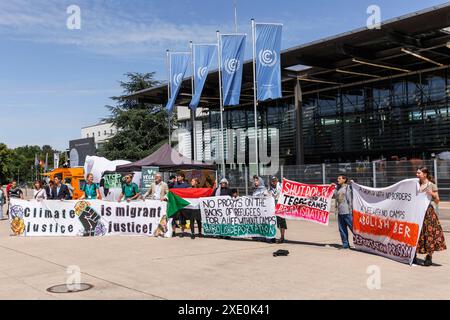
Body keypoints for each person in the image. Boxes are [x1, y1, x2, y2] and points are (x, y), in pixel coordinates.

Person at [415, 167, 447, 266]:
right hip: (417, 211)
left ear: (425, 174)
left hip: (428, 212)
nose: (417, 174)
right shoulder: (415, 184)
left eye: (418, 173)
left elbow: (437, 201)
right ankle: (413, 255)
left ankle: (429, 257)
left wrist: (432, 193)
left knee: (429, 234)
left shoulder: (431, 185)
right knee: (416, 233)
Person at [332, 175, 354, 250]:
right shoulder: (338, 188)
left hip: (347, 212)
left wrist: (353, 184)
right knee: (342, 229)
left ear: (344, 180)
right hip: (340, 212)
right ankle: (345, 244)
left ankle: (361, 242)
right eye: (337, 178)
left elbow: (350, 198)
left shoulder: (348, 187)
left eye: (339, 178)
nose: (337, 180)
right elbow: (334, 196)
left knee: (353, 228)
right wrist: (333, 188)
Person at [269, 176, 287, 244]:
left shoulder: (280, 185)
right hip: (273, 207)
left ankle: (282, 237)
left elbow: (287, 188)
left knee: (282, 222)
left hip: (280, 206)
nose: (274, 182)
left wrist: (285, 181)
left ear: (277, 180)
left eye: (275, 180)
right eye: (272, 181)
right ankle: (273, 237)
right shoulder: (269, 188)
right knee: (273, 222)